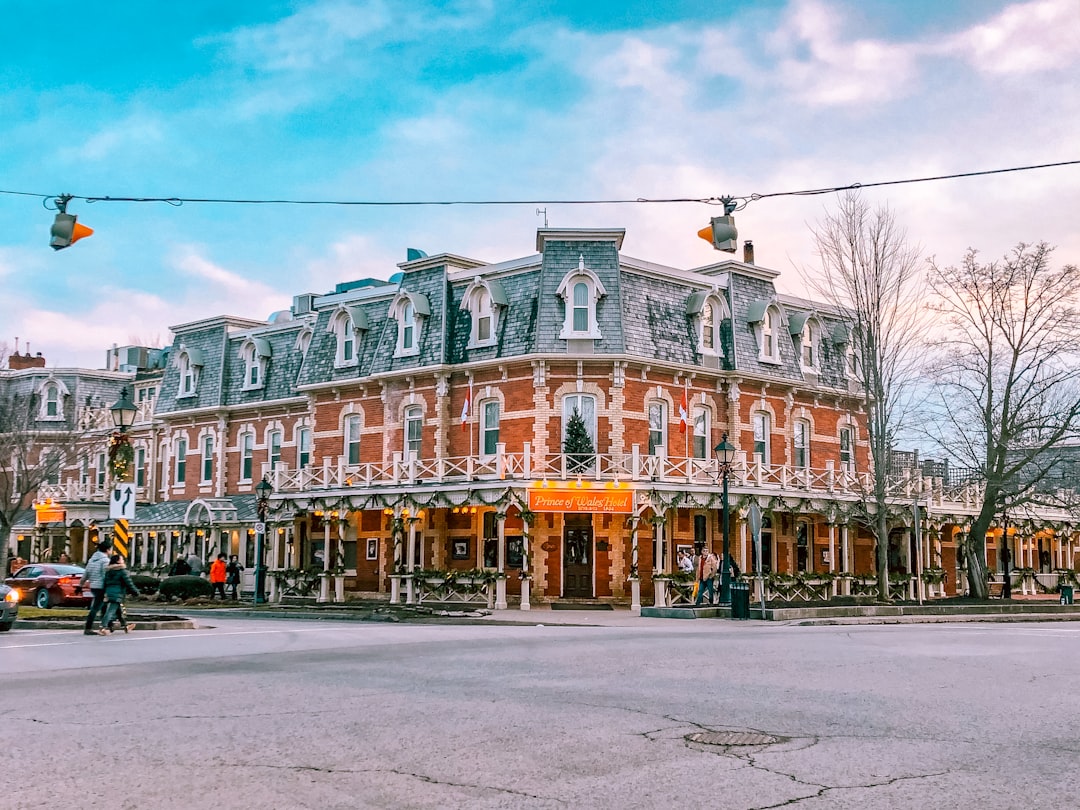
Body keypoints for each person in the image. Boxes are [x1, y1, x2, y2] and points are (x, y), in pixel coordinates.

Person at [79, 540, 113, 636]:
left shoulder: (92, 560)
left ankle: (107, 625)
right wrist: (108, 587)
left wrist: (80, 585)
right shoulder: (105, 561)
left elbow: (86, 574)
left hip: (93, 586)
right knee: (96, 607)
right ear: (107, 550)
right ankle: (88, 628)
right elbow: (105, 575)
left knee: (103, 606)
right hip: (101, 586)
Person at [99, 554, 139, 635]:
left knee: (118, 611)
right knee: (110, 611)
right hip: (117, 593)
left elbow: (104, 583)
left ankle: (125, 626)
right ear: (118, 561)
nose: (123, 560)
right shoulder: (122, 571)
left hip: (108, 593)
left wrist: (103, 593)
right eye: (122, 559)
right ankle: (103, 627)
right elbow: (128, 582)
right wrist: (135, 592)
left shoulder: (108, 571)